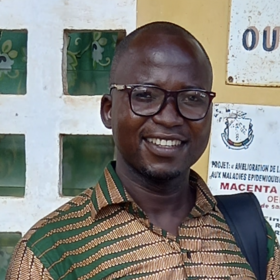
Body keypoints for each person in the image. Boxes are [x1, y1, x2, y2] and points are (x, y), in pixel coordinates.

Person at [6, 21, 280, 280]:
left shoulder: (249, 229)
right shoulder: (49, 253)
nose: (170, 118)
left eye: (192, 98)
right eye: (145, 96)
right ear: (109, 110)